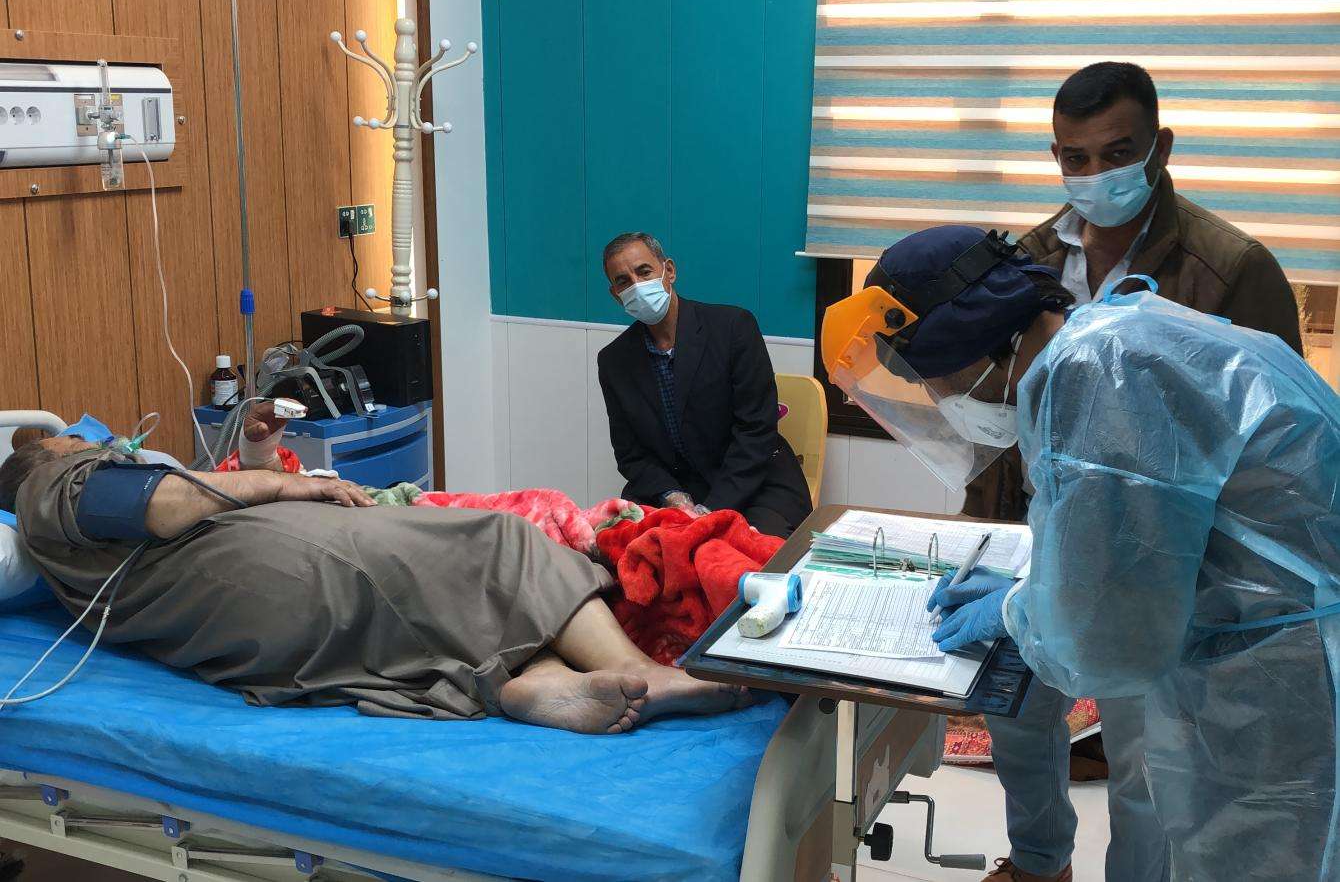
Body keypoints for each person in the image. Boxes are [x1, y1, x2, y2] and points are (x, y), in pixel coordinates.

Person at [824, 224, 1338, 882]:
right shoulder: (1100, 342)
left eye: (938, 382)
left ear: (967, 345)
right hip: (1273, 645)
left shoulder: (1098, 377)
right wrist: (1032, 584)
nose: (945, 401)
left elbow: (1115, 644)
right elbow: (1142, 533)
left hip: (1287, 680)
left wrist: (1018, 609)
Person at [959, 62, 1303, 882]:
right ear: (1055, 155)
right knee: (1017, 710)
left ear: (1161, 147)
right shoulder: (1032, 259)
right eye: (1074, 158)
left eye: (1117, 153)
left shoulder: (1230, 269)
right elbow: (1002, 406)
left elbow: (1274, 437)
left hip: (1160, 557)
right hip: (1044, 538)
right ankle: (1041, 863)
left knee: (1142, 758)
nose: (1094, 175)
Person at [0, 403, 749, 733]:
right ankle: (635, 670)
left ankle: (540, 682)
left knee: (452, 596)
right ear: (49, 454)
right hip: (289, 575)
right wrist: (294, 481)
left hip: (259, 625)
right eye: (82, 441)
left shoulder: (71, 559)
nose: (109, 443)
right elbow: (161, 504)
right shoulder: (50, 483)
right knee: (496, 540)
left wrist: (259, 459)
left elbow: (182, 503)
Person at [597, 232, 811, 537]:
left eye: (644, 272)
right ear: (616, 294)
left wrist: (710, 510)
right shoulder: (614, 361)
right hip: (675, 495)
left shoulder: (733, 328)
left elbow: (756, 431)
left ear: (669, 270)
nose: (636, 286)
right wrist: (673, 496)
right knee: (630, 551)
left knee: (734, 558)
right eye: (623, 281)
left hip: (754, 486)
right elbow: (631, 455)